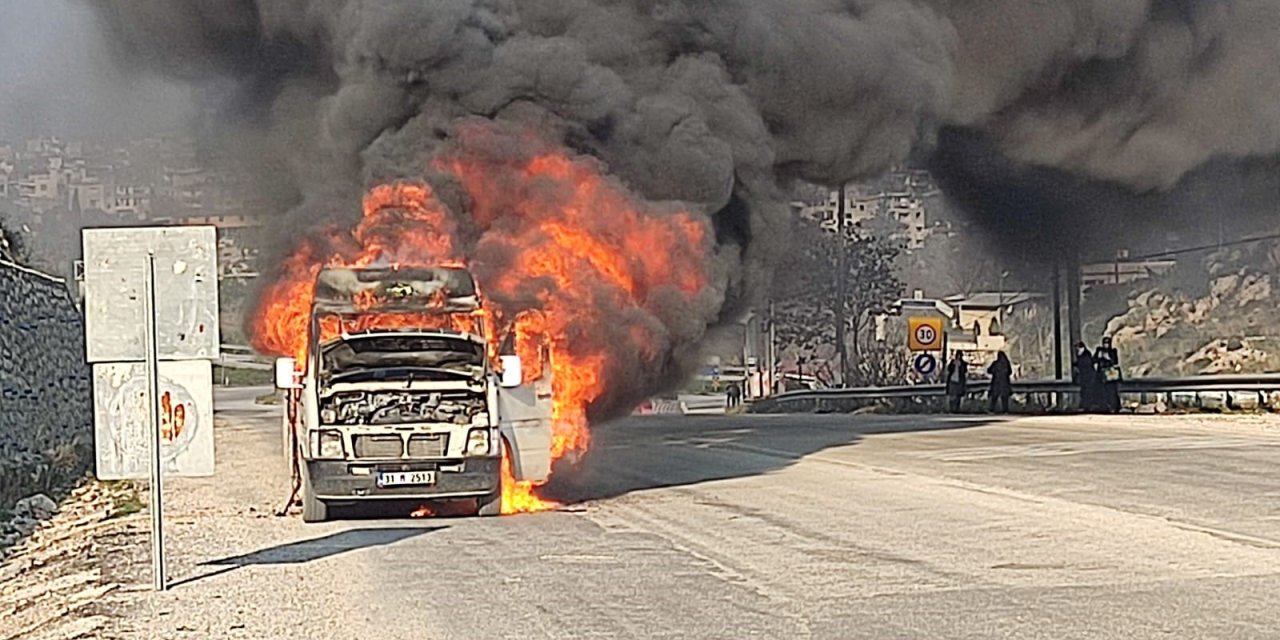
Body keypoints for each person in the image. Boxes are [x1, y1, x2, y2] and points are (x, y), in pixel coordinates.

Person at [1094, 336, 1122, 413]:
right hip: (1101, 375)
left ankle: (1114, 407)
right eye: (1105, 343)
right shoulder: (1099, 350)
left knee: (1112, 392)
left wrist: (1108, 358)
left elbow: (1115, 362)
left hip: (1110, 375)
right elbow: (1094, 360)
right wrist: (1098, 357)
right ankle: (1103, 406)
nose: (1106, 345)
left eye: (1107, 343)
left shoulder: (1113, 351)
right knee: (1102, 392)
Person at [1072, 342, 1098, 412]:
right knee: (1084, 392)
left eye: (1077, 347)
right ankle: (1085, 406)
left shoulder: (1086, 354)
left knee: (1087, 392)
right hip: (1085, 377)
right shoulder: (1082, 354)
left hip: (1088, 377)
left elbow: (1085, 364)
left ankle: (1087, 406)